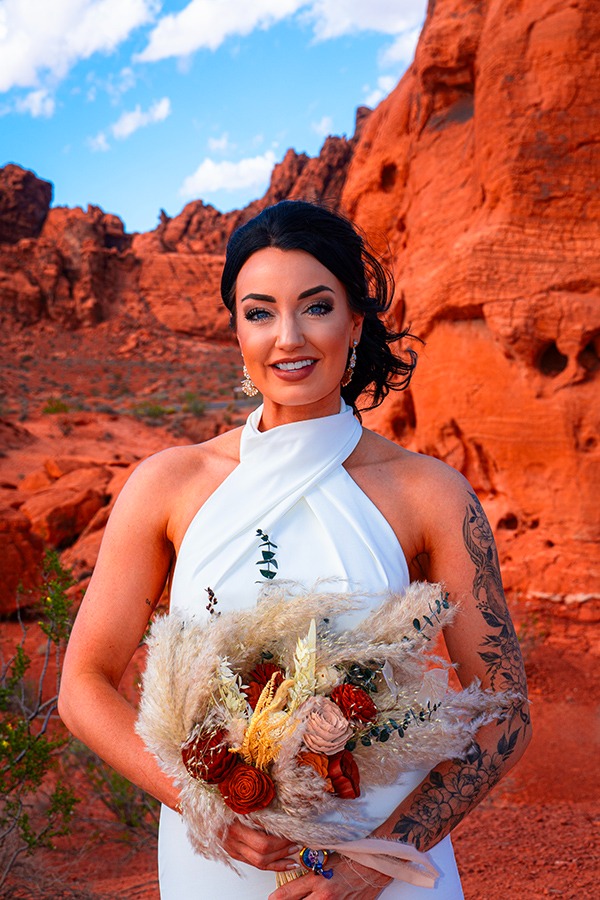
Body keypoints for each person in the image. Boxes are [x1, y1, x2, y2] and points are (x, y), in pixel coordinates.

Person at [59, 200, 531, 899]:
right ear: (236, 331)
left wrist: (376, 863)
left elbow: (507, 707)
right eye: (259, 312)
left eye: (315, 306)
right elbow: (83, 685)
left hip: (383, 865)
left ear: (354, 323)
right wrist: (207, 805)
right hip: (218, 863)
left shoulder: (429, 493)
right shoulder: (170, 485)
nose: (288, 336)